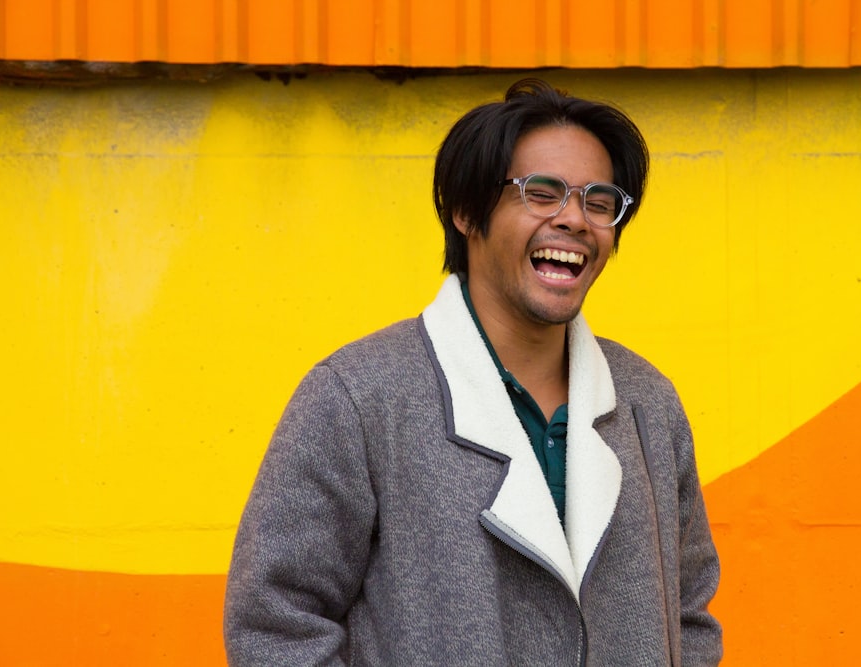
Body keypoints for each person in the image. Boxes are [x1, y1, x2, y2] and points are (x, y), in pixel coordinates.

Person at [224, 78, 722, 666]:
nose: (575, 220)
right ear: (465, 211)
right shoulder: (357, 399)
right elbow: (274, 627)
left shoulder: (647, 404)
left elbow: (688, 617)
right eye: (542, 192)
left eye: (599, 201)